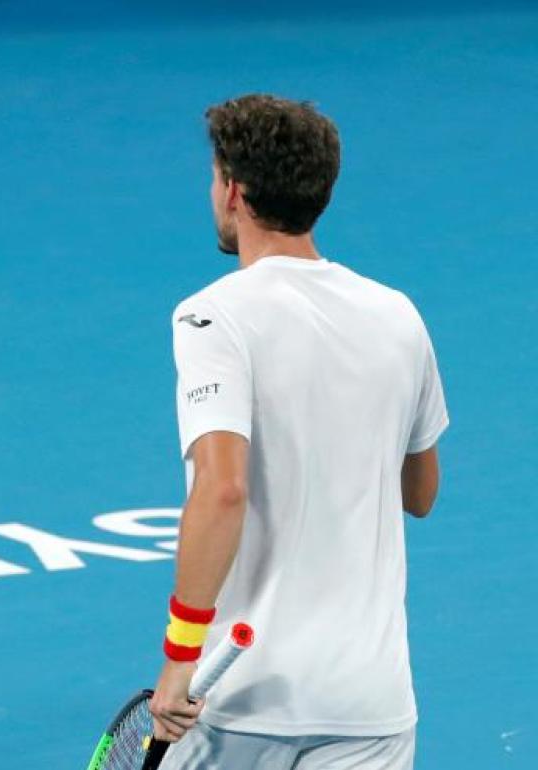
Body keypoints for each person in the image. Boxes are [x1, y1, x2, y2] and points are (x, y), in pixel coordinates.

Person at [147, 94, 448, 769]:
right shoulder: (398, 315)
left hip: (242, 697)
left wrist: (179, 658)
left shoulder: (212, 317)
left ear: (233, 189)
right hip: (371, 702)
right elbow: (421, 491)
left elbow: (223, 492)